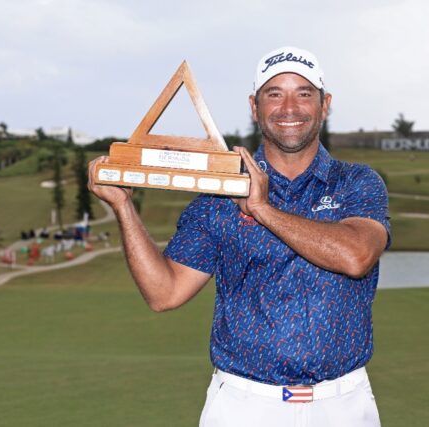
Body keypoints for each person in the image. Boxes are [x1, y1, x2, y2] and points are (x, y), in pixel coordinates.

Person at [88, 46, 390, 427]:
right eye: (274, 93)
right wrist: (123, 208)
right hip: (245, 405)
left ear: (325, 104)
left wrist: (263, 210)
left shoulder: (356, 182)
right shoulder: (219, 196)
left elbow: (356, 255)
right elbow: (164, 293)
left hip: (343, 404)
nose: (289, 108)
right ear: (254, 105)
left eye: (304, 93)